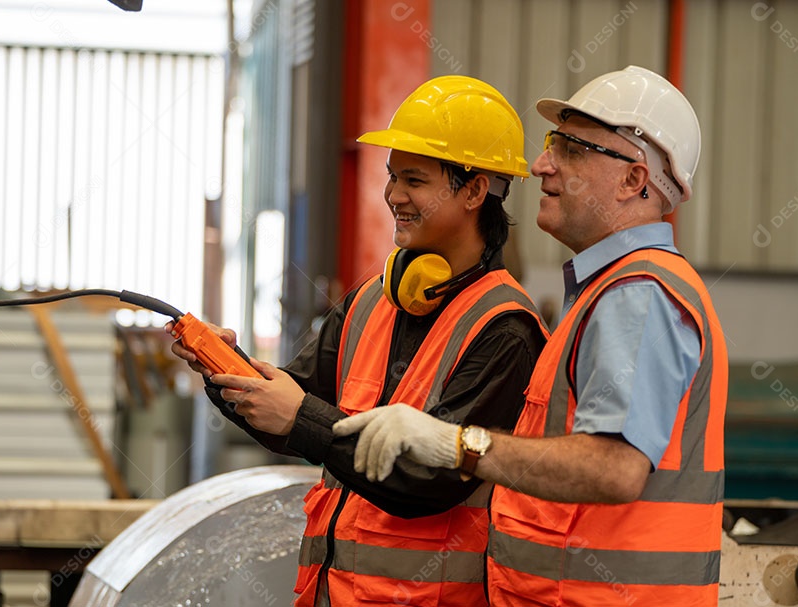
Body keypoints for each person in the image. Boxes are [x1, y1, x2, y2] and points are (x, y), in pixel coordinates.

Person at [335, 65, 728, 606]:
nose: (542, 165)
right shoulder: (612, 291)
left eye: (571, 150)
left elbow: (615, 469)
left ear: (633, 180)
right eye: (551, 145)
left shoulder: (638, 294)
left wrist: (457, 444)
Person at [167, 75, 548, 607]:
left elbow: (427, 479)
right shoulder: (371, 301)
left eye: (414, 180)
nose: (393, 195)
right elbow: (289, 412)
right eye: (392, 176)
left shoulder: (506, 330)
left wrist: (300, 416)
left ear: (474, 191)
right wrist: (222, 365)